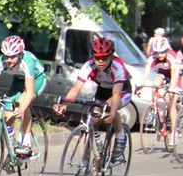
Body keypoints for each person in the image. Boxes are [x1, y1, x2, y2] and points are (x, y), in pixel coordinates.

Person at [54, 36, 133, 167]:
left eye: (104, 58)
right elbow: (76, 88)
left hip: (122, 91)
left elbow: (116, 93)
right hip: (102, 91)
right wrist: (64, 104)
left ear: (111, 56)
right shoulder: (89, 65)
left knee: (109, 107)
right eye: (97, 58)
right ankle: (90, 155)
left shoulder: (117, 66)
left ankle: (120, 137)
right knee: (93, 120)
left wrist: (112, 113)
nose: (100, 61)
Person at [137, 36, 182, 141]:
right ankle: (156, 109)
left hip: (174, 76)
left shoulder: (172, 56)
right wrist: (140, 87)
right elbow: (145, 74)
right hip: (162, 74)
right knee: (154, 84)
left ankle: (174, 134)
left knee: (170, 102)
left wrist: (171, 89)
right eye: (157, 53)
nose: (160, 55)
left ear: (166, 50)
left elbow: (174, 75)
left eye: (162, 52)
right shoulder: (152, 58)